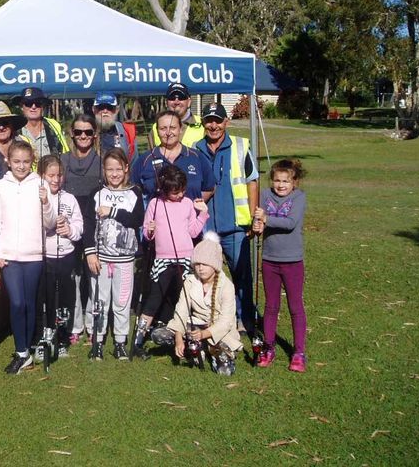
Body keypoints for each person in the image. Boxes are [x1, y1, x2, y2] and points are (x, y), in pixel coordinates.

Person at [0, 140, 56, 374]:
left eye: (26, 162)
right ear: (8, 161)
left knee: (29, 303)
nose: (21, 166)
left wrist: (46, 202)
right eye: (16, 161)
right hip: (9, 257)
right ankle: (21, 351)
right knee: (17, 303)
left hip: (34, 255)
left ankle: (26, 350)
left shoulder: (40, 184)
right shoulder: (0, 186)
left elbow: (50, 222)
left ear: (32, 162)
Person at [194, 103, 259, 334]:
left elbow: (252, 181)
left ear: (226, 122)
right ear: (203, 123)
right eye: (209, 120)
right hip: (206, 227)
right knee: (206, 276)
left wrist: (252, 216)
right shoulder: (195, 149)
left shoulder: (240, 147)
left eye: (217, 121)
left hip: (235, 225)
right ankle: (212, 319)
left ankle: (245, 318)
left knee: (241, 275)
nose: (213, 125)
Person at [132, 165, 209, 358]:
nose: (180, 194)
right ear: (164, 190)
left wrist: (202, 214)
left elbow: (193, 232)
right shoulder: (155, 204)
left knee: (186, 300)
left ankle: (191, 339)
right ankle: (138, 340)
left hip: (185, 260)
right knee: (153, 300)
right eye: (176, 192)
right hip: (163, 261)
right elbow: (147, 234)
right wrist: (150, 230)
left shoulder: (187, 203)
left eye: (183, 190)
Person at [83, 148, 144, 361]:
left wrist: (112, 211)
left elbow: (137, 219)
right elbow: (88, 224)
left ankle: (120, 341)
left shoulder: (134, 192)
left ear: (126, 168)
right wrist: (90, 253)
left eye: (118, 169)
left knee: (122, 300)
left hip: (124, 259)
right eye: (110, 169)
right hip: (100, 258)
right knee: (99, 300)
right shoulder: (97, 193)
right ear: (104, 170)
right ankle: (97, 341)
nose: (114, 174)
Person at [252, 159, 308, 373]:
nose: (281, 185)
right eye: (277, 180)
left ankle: (299, 352)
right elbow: (258, 219)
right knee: (271, 306)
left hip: (292, 261)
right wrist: (257, 224)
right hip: (269, 260)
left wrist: (266, 219)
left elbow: (290, 223)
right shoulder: (265, 195)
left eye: (286, 181)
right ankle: (268, 347)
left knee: (295, 306)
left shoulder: (299, 197)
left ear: (294, 182)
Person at [158, 232, 242, 375]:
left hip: (218, 331)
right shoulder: (190, 281)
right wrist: (178, 337)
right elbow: (181, 310)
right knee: (159, 335)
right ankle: (193, 347)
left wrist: (204, 334)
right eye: (197, 264)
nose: (200, 268)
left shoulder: (226, 285)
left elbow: (226, 321)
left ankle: (208, 348)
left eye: (205, 264)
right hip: (196, 325)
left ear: (215, 265)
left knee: (225, 371)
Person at [33, 155, 83, 360]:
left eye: (59, 175)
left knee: (64, 299)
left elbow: (79, 226)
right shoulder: (37, 198)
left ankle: (62, 338)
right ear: (41, 176)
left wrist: (70, 230)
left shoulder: (70, 199)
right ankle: (43, 338)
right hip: (45, 257)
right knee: (44, 299)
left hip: (66, 256)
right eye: (50, 175)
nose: (55, 179)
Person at [60, 115, 102, 346]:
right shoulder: (63, 160)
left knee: (93, 275)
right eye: (78, 132)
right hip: (69, 226)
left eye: (88, 132)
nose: (83, 136)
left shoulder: (102, 161)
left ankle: (94, 324)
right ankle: (75, 325)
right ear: (72, 134)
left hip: (94, 224)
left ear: (94, 134)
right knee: (73, 277)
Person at [132, 109, 214, 208]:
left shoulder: (197, 157)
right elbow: (133, 191)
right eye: (163, 128)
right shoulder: (145, 160)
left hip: (191, 217)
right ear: (157, 131)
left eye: (172, 128)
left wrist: (192, 208)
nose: (168, 132)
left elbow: (210, 188)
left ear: (180, 129)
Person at [15, 87, 69, 162]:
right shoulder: (15, 128)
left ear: (43, 106)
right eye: (28, 103)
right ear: (21, 106)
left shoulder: (53, 125)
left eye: (38, 103)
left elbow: (64, 152)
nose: (33, 107)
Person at [148, 82, 205, 149]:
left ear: (189, 102)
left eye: (181, 97)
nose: (176, 102)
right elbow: (150, 154)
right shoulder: (156, 128)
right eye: (172, 98)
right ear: (166, 102)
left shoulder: (203, 124)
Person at [92, 92, 138, 162]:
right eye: (101, 107)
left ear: (117, 110)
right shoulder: (84, 133)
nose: (105, 111)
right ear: (94, 109)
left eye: (109, 107)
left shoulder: (127, 132)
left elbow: (134, 163)